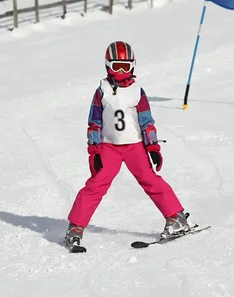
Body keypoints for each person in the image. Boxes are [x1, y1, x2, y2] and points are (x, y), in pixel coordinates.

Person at [64, 41, 197, 249]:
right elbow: (94, 122)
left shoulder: (137, 91)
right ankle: (75, 227)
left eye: (125, 67)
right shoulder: (102, 91)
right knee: (96, 184)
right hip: (109, 147)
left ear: (132, 66)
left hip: (135, 145)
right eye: (117, 66)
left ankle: (176, 217)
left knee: (150, 180)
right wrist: (94, 149)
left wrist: (152, 147)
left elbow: (146, 121)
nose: (121, 71)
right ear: (108, 66)